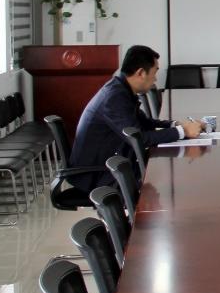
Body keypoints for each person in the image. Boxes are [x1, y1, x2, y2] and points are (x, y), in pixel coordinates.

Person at [69, 45, 204, 192]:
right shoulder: (114, 97)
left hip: (112, 163)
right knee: (174, 182)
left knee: (171, 177)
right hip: (97, 175)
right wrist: (183, 131)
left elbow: (145, 123)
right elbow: (140, 138)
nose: (155, 78)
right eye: (154, 72)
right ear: (140, 73)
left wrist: (176, 125)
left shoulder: (121, 89)